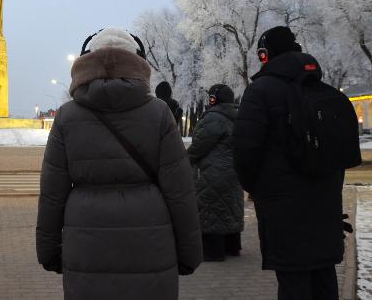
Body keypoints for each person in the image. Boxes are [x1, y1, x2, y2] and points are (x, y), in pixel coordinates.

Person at [37, 27, 202, 300]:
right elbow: (180, 192)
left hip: (86, 239)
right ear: (138, 63)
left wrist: (49, 251)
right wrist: (190, 253)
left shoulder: (67, 116)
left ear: (86, 62)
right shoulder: (159, 113)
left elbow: (53, 193)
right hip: (150, 238)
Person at [234, 26, 360, 300]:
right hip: (325, 203)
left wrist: (256, 189)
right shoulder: (323, 91)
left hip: (283, 208)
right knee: (324, 275)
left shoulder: (261, 91)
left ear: (266, 54)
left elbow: (245, 152)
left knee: (293, 280)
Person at [188, 83, 243, 262]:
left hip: (212, 171)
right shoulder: (238, 116)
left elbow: (200, 144)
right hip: (232, 170)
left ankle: (214, 251)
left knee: (210, 209)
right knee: (229, 207)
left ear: (214, 98)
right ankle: (232, 247)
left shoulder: (214, 118)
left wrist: (186, 157)